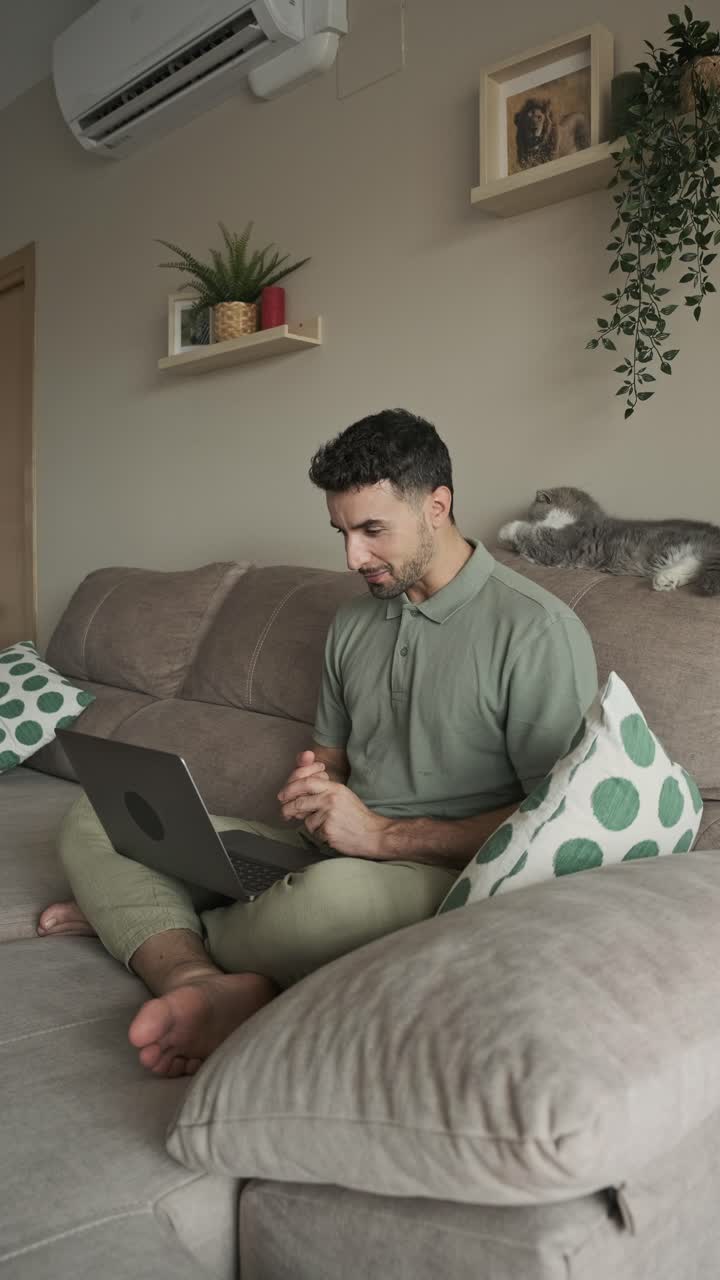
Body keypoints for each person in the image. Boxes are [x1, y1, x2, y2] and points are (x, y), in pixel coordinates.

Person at [38, 409, 597, 1077]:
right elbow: (330, 756)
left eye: (372, 531)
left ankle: (140, 921)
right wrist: (317, 787)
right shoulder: (354, 621)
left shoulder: (536, 631)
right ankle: (193, 973)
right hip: (326, 851)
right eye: (342, 532)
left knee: (325, 905)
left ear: (437, 507)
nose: (352, 558)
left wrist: (384, 837)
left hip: (441, 874)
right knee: (97, 813)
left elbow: (555, 823)